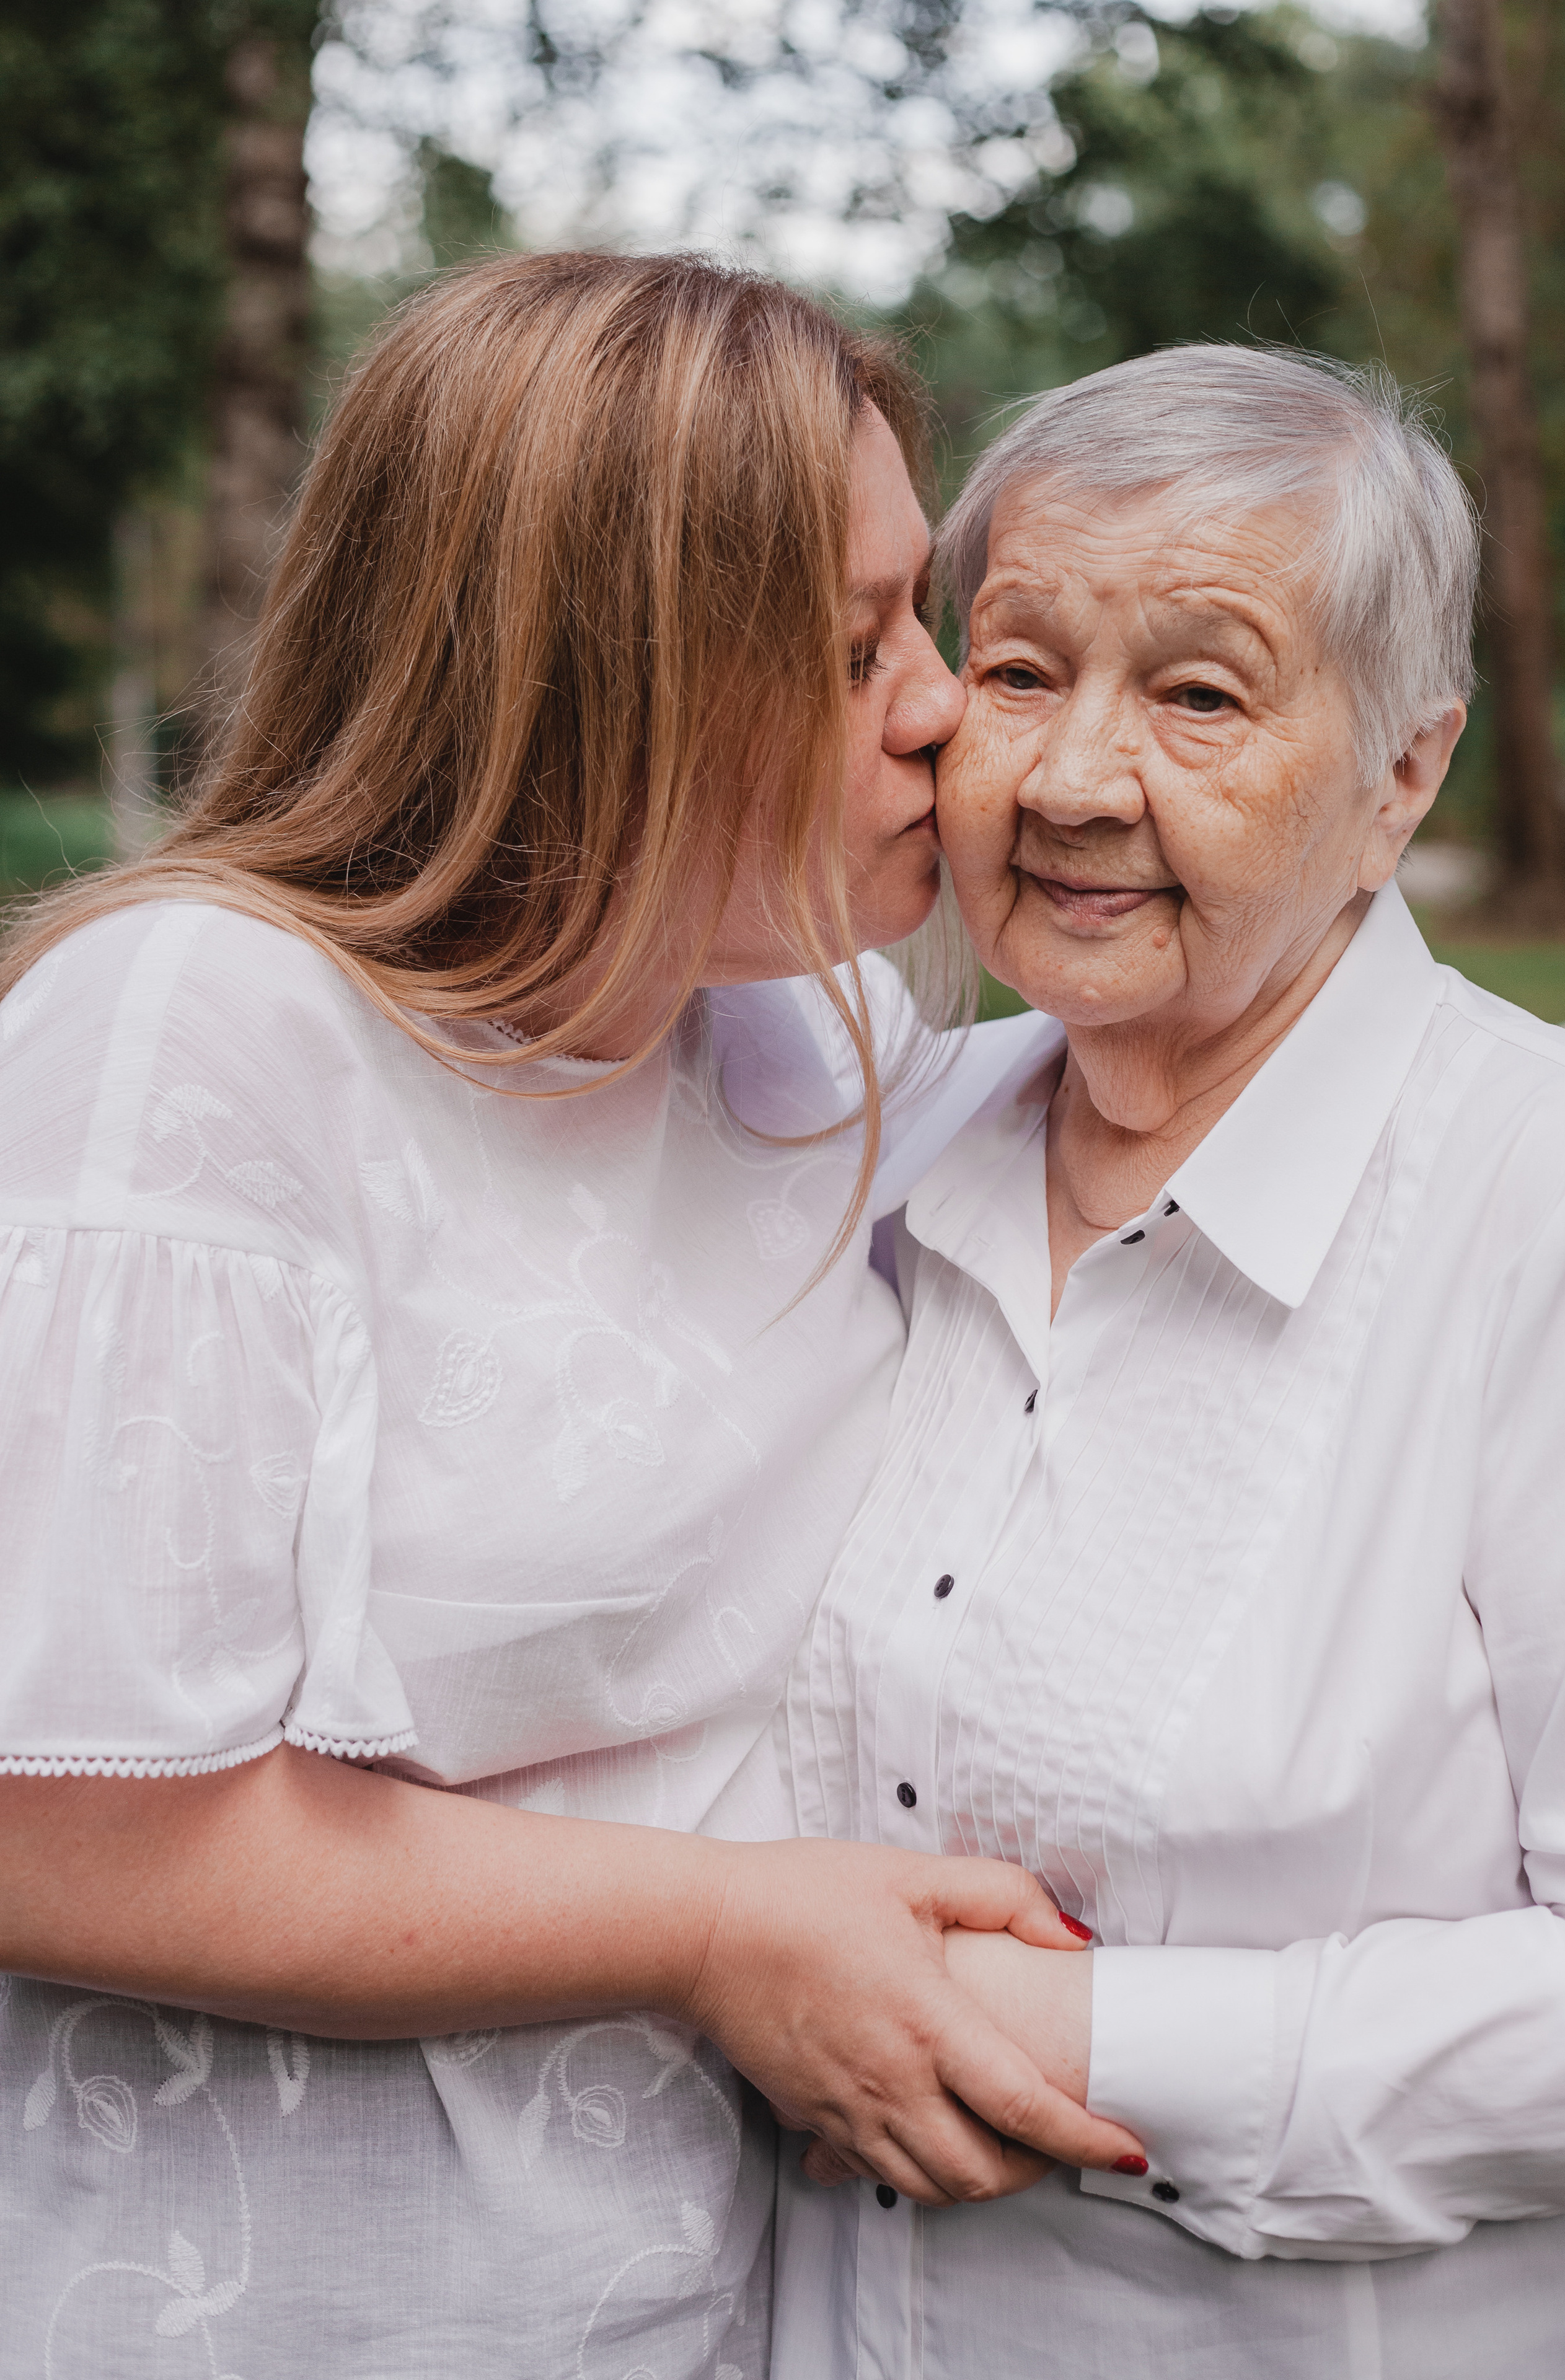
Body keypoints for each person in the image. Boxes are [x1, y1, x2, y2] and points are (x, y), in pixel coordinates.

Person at [0, 254, 1138, 2380]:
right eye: (851, 644)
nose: (939, 704)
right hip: (263, 2317)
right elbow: (58, 1828)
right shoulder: (206, 1040)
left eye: (927, 618)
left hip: (698, 2297)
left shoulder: (810, 1039)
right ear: (594, 671)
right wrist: (724, 1934)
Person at [773, 345, 1565, 2379]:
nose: (1067, 783)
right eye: (1023, 669)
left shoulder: (1541, 1204)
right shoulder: (877, 1141)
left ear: (1405, 773)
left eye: (1202, 694)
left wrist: (1088, 2045)